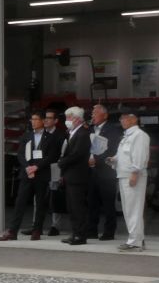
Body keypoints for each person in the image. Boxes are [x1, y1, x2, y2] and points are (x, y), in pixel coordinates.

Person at [0, 111, 56, 241]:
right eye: (32, 119)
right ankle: (13, 231)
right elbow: (20, 154)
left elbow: (51, 156)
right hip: (27, 174)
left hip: (41, 174)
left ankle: (37, 230)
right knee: (20, 202)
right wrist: (28, 167)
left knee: (40, 204)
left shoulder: (50, 137)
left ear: (42, 121)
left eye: (36, 119)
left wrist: (37, 167)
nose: (33, 122)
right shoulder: (26, 136)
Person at [112, 110, 151, 251]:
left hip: (133, 176)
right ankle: (138, 239)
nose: (122, 120)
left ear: (134, 119)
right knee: (129, 209)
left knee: (133, 209)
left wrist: (135, 173)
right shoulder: (127, 136)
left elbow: (139, 156)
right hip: (124, 175)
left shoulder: (139, 135)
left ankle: (135, 242)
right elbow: (124, 155)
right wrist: (113, 159)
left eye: (125, 118)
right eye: (121, 118)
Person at [88, 103, 124, 241]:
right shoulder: (90, 129)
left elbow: (112, 149)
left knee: (108, 203)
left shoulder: (112, 130)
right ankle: (92, 230)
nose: (93, 116)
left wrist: (97, 160)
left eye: (96, 113)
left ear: (105, 115)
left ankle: (109, 231)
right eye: (92, 113)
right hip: (91, 171)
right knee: (92, 202)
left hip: (106, 171)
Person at [57, 106, 92, 245]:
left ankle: (80, 235)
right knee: (71, 207)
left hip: (78, 175)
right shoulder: (71, 133)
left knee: (78, 207)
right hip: (70, 175)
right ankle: (75, 232)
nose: (67, 120)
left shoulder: (83, 133)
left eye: (69, 117)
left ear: (77, 119)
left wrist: (62, 162)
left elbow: (77, 154)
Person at [41, 109, 63, 235]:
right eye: (45, 117)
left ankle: (55, 226)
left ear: (55, 121)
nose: (46, 120)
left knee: (55, 197)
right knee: (39, 196)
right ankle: (36, 225)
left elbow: (63, 154)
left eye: (49, 118)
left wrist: (61, 172)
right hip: (41, 168)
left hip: (55, 168)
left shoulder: (60, 135)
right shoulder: (40, 134)